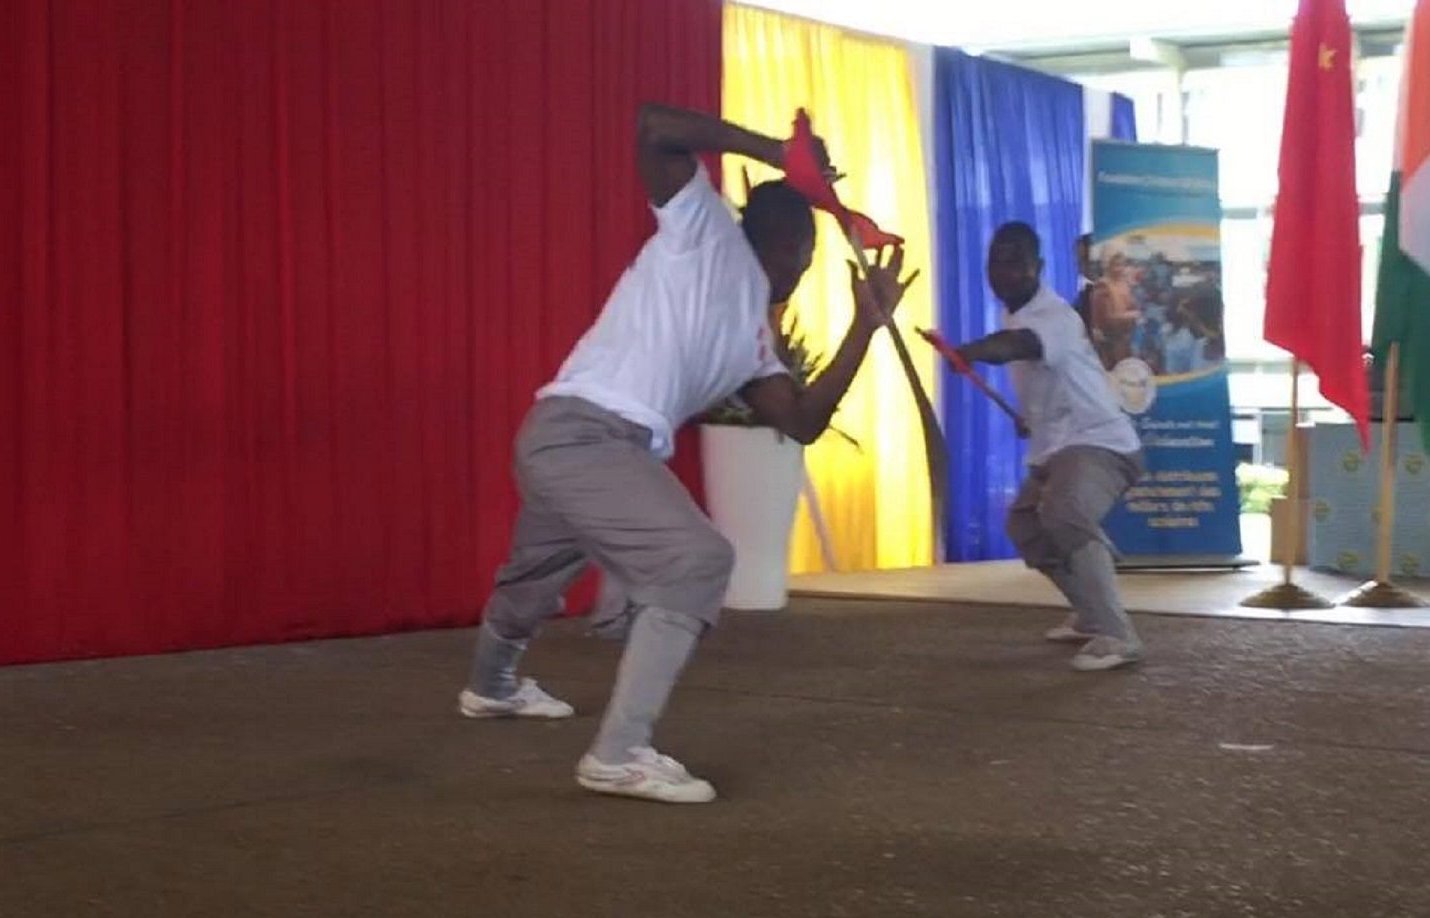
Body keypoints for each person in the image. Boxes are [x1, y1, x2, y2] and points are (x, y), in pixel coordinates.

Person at [458, 103, 912, 803]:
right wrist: (775, 153)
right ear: (790, 245)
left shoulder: (753, 340)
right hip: (586, 435)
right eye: (808, 250)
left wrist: (866, 325)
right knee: (697, 559)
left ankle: (491, 686)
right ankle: (618, 754)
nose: (807, 265)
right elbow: (653, 126)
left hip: (573, 445)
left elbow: (803, 422)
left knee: (533, 576)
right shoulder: (702, 231)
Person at [954, 222, 1145, 672]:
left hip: (1102, 444)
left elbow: (1017, 347)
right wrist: (1034, 418)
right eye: (996, 262)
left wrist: (970, 350)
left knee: (1063, 513)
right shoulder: (1016, 313)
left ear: (1037, 267)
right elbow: (1048, 374)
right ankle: (1091, 615)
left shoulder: (1053, 315)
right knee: (1027, 527)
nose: (1004, 272)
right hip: (1060, 446)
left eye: (1016, 262)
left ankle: (1118, 635)